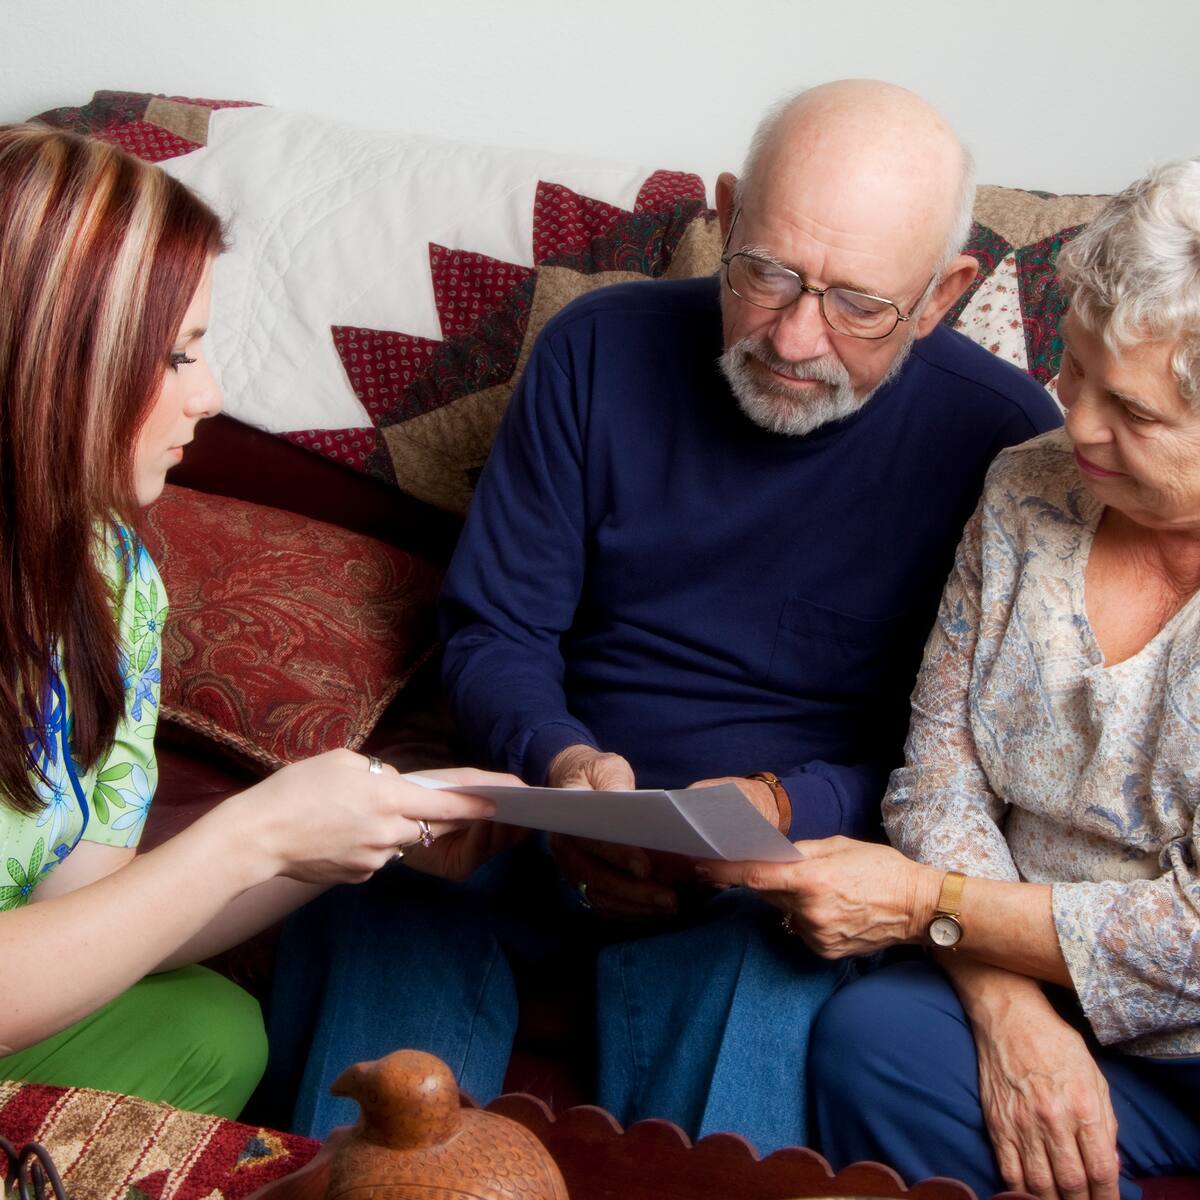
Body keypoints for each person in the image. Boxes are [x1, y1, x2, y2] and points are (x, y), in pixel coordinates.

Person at [270, 79, 1061, 1147]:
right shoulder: (596, 349)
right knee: (382, 906)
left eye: (858, 304)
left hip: (782, 884)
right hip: (546, 819)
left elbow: (973, 762)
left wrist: (785, 806)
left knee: (762, 975)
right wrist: (562, 768)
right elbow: (497, 630)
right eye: (767, 273)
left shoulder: (1007, 447)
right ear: (727, 216)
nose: (793, 338)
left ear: (941, 293)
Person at [705, 160, 1200, 1196]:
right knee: (872, 1038)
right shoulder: (1028, 490)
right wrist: (1006, 1001)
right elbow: (939, 770)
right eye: (1078, 367)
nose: (1079, 423)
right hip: (1020, 959)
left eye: (1138, 413)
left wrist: (929, 901)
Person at [0, 124, 516, 1118]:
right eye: (177, 354)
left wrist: (350, 831)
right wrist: (249, 831)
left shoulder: (113, 577)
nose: (213, 395)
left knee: (211, 1031)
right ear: (52, 361)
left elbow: (86, 922)